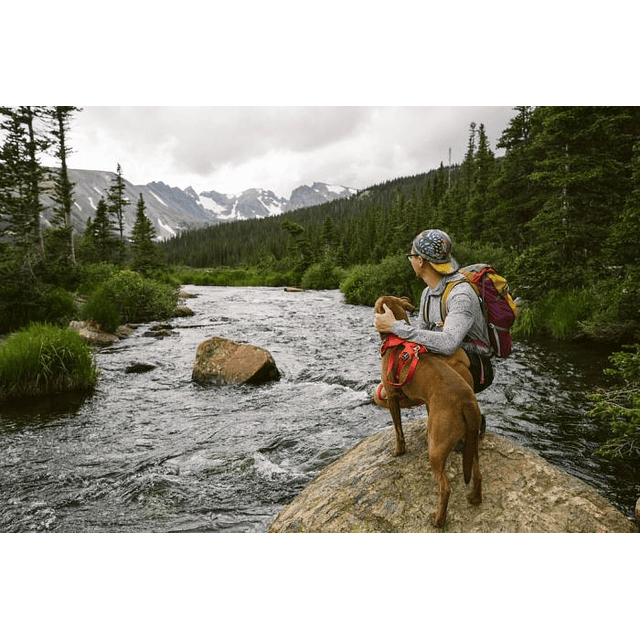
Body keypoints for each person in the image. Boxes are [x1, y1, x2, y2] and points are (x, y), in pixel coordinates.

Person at [373, 229, 494, 412]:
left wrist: (395, 326)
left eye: (411, 256)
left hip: (476, 367)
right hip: (444, 359)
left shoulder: (461, 294)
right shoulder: (427, 293)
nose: (411, 261)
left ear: (420, 260)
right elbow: (421, 339)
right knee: (382, 395)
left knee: (450, 357)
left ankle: (468, 414)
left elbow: (448, 343)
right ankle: (440, 409)